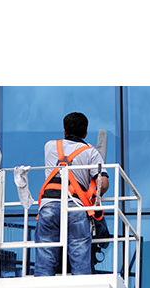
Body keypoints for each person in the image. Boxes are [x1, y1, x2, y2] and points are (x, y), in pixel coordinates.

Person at [34, 112, 108, 276]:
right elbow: (103, 183)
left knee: (44, 263)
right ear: (85, 133)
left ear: (64, 131)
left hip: (48, 207)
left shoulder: (50, 146)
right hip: (75, 208)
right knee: (80, 263)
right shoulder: (91, 152)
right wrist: (92, 198)